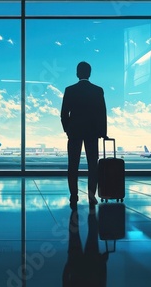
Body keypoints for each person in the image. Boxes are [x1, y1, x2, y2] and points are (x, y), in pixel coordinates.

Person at [61, 61, 107, 208]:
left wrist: (68, 129)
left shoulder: (70, 90)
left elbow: (63, 113)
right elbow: (102, 113)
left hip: (74, 132)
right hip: (92, 132)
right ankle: (92, 195)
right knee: (93, 165)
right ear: (90, 73)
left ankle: (73, 195)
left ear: (77, 73)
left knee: (73, 165)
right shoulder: (98, 90)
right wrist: (102, 132)